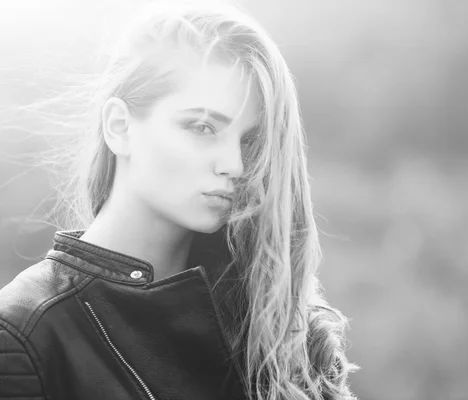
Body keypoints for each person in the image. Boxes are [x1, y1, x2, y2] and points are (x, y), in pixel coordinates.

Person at [0, 1, 359, 399]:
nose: (235, 165)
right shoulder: (24, 334)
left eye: (249, 140)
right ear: (119, 127)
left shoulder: (279, 326)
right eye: (203, 126)